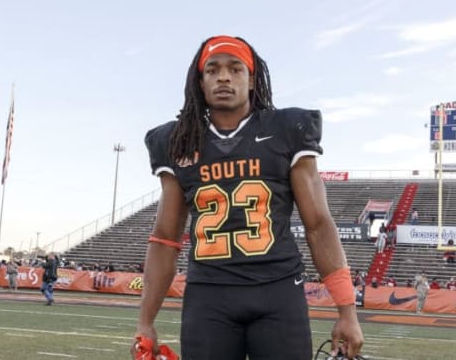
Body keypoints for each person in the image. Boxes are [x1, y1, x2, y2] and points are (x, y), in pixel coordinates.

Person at [134, 35, 363, 359]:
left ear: (252, 79)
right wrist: (145, 321)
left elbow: (318, 225)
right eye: (212, 70)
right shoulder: (177, 140)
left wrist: (347, 311)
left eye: (235, 69)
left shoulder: (286, 129)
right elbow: (165, 238)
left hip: (278, 290)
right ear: (200, 82)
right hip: (208, 296)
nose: (224, 77)